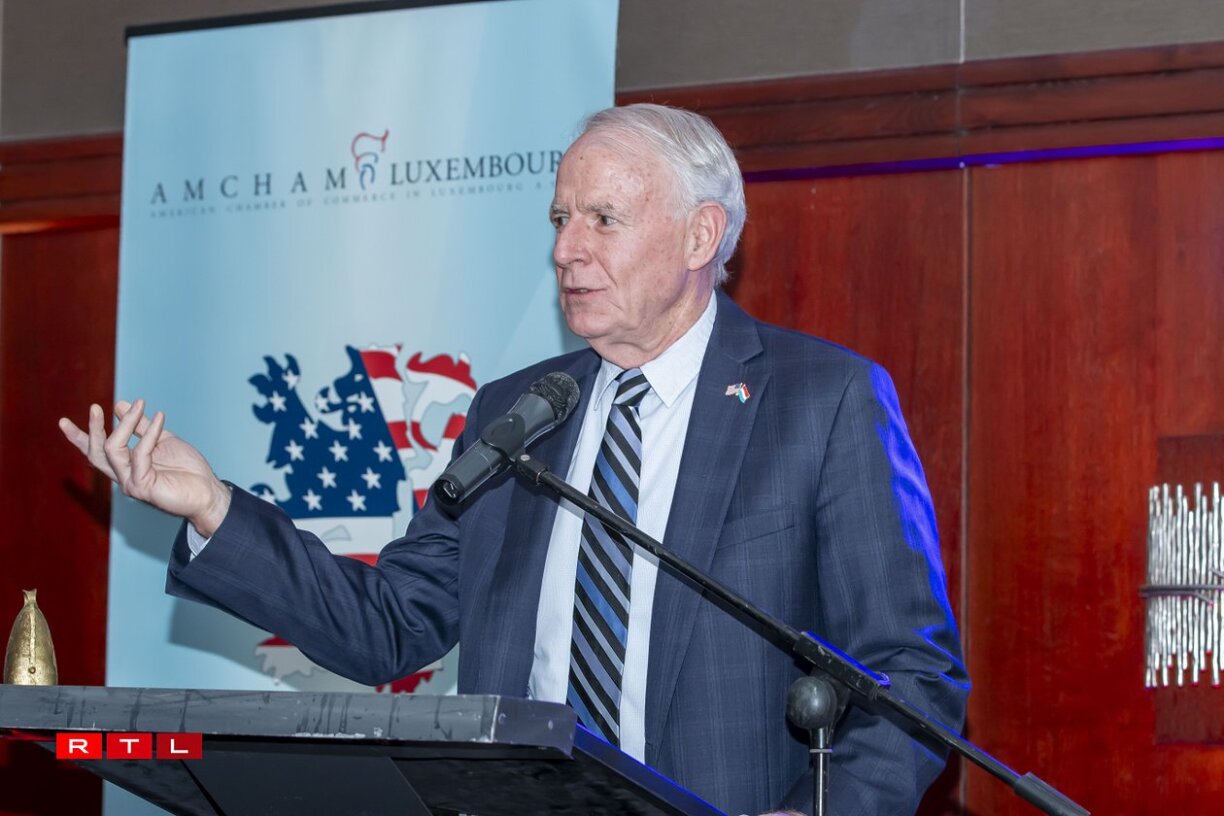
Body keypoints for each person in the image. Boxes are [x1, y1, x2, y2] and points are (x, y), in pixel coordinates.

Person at [61, 103, 967, 816]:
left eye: (603, 219)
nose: (566, 248)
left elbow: (914, 674)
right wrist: (214, 506)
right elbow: (387, 626)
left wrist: (820, 812)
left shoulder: (820, 399)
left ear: (700, 236)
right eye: (561, 217)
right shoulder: (519, 412)